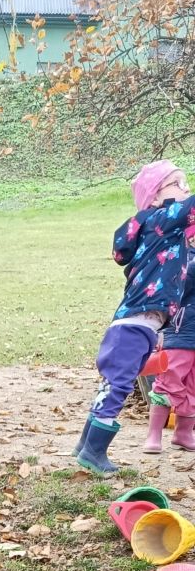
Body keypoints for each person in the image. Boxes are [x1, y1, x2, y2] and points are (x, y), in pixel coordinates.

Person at [76, 159, 195, 474]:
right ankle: (94, 452)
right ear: (155, 196)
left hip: (138, 323)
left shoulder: (159, 227)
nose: (186, 188)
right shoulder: (162, 218)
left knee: (114, 382)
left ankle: (85, 445)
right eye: (178, 183)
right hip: (135, 323)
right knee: (119, 384)